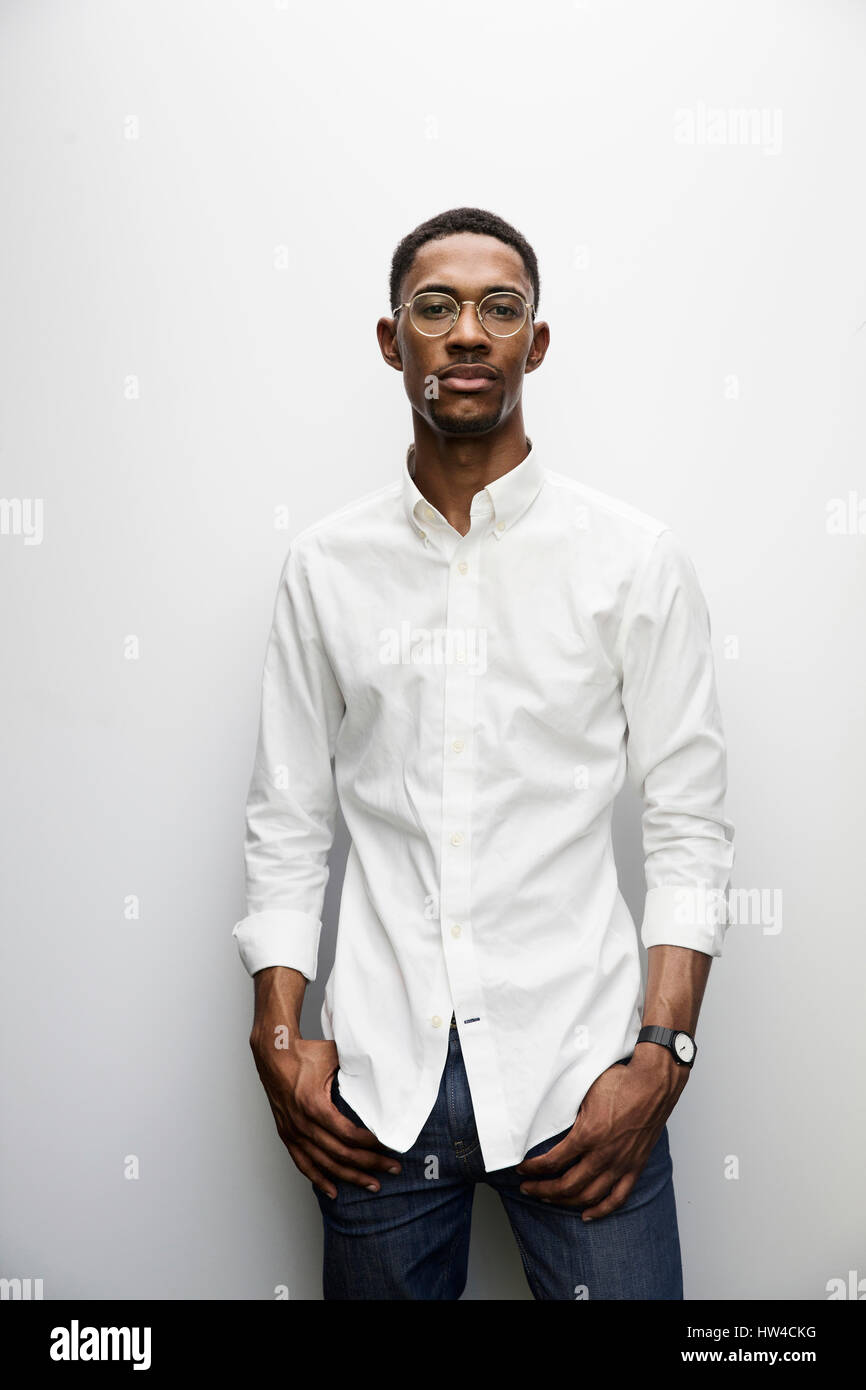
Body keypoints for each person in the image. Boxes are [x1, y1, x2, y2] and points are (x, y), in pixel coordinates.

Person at [232, 206, 735, 1301]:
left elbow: (687, 824)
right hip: (377, 1090)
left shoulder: (631, 562)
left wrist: (661, 1056)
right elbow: (286, 821)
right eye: (436, 307)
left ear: (533, 343)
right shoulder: (324, 568)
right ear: (390, 339)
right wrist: (279, 1034)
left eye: (498, 308)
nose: (467, 332)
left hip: (579, 1076)